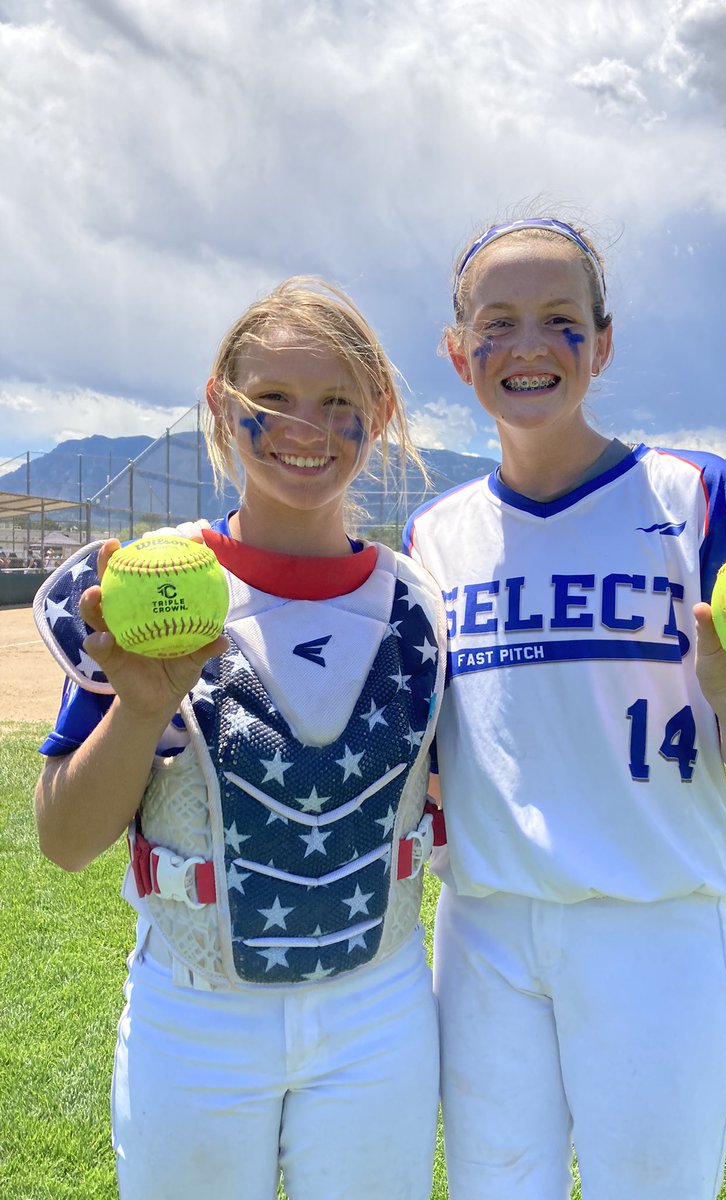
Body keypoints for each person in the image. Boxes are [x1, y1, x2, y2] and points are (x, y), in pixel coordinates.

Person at [403, 215, 726, 1200]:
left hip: (654, 926)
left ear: (603, 342)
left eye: (560, 320)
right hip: (483, 933)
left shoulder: (698, 495)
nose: (527, 346)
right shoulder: (433, 536)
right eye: (497, 322)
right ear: (457, 351)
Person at [33, 277, 446, 1200]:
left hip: (377, 1008)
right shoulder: (144, 589)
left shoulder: (421, 601)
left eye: (338, 402)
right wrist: (140, 709)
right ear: (222, 406)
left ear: (378, 413)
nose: (307, 427)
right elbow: (62, 843)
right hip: (196, 1012)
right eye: (274, 401)